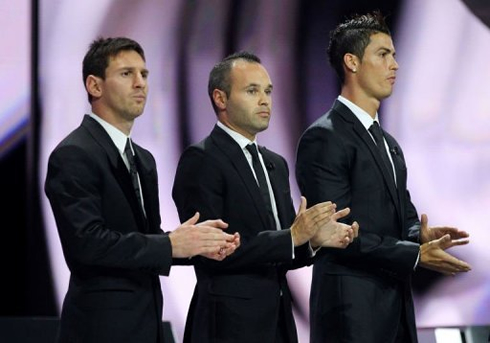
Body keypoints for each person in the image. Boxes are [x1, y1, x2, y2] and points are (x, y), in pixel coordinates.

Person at [44, 37, 240, 343]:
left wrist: (196, 245)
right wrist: (171, 245)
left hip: (147, 325)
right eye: (126, 74)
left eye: (144, 74)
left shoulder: (143, 158)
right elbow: (88, 244)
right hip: (100, 330)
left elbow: (145, 239)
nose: (140, 84)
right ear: (95, 86)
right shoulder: (73, 154)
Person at [295, 11, 471, 343]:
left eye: (394, 54)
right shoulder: (324, 138)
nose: (395, 65)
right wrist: (415, 255)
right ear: (352, 62)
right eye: (383, 54)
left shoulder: (389, 144)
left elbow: (401, 214)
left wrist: (421, 234)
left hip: (396, 309)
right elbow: (338, 233)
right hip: (350, 314)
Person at [172, 51, 359, 343]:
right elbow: (212, 252)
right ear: (220, 99)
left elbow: (283, 251)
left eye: (268, 91)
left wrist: (312, 241)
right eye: (252, 91)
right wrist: (291, 237)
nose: (265, 100)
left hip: (280, 324)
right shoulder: (201, 160)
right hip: (228, 327)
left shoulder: (275, 164)